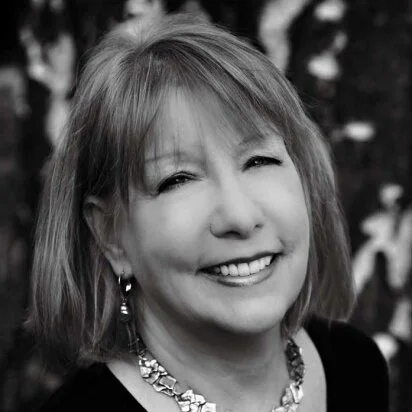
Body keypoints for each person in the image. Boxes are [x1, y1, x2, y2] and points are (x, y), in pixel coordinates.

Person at [29, 14, 389, 412]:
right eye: (178, 179)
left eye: (259, 160)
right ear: (109, 235)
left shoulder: (357, 367)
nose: (240, 217)